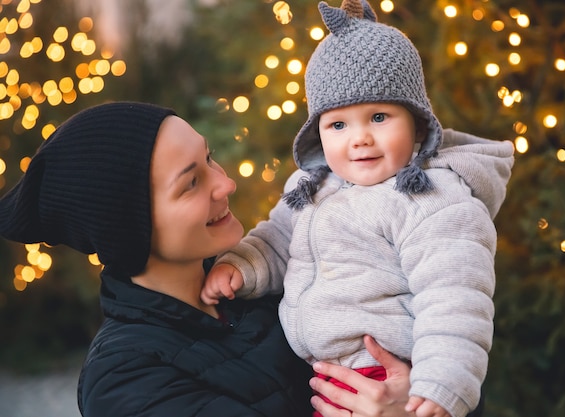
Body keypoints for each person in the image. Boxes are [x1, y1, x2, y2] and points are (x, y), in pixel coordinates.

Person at [0, 101, 419, 417]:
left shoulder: (276, 272)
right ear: (131, 229)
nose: (226, 183)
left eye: (210, 158)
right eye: (191, 183)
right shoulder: (125, 380)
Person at [201, 1, 515, 417]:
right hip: (328, 380)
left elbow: (455, 295)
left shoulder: (431, 199)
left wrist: (442, 382)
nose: (359, 138)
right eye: (338, 125)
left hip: (391, 377)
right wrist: (241, 265)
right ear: (318, 133)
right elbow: (277, 240)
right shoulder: (312, 187)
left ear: (418, 124)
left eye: (379, 116)